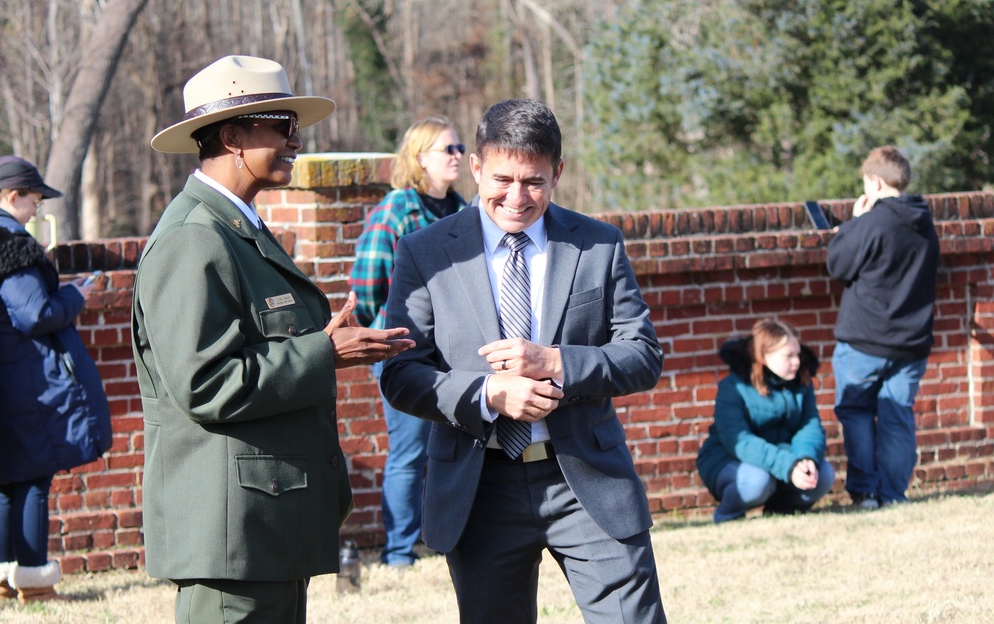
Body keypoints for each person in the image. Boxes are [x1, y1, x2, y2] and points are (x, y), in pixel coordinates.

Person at [133, 55, 414, 623]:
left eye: (295, 127)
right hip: (232, 538)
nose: (296, 140)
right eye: (281, 125)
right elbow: (206, 384)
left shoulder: (237, 227)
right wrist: (324, 353)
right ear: (233, 136)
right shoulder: (194, 239)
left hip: (264, 531)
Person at [380, 99, 667, 623]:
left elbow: (643, 357)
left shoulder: (598, 244)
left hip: (586, 478)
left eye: (533, 181)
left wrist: (557, 361)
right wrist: (487, 394)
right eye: (502, 179)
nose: (516, 197)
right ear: (476, 168)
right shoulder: (424, 252)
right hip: (479, 486)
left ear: (557, 172)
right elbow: (401, 374)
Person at [350, 116, 468, 567]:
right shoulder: (396, 210)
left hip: (456, 353)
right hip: (406, 352)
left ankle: (446, 539)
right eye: (448, 150)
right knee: (410, 451)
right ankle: (399, 551)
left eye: (459, 149)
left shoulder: (463, 211)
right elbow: (365, 287)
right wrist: (387, 342)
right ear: (419, 159)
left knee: (455, 446)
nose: (457, 156)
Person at [0, 156, 112, 603]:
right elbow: (34, 313)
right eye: (34, 201)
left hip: (2, 376)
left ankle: (1, 583)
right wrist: (73, 294)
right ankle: (36, 584)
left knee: (4, 479)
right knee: (33, 477)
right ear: (12, 197)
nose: (37, 211)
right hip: (24, 377)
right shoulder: (9, 240)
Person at [827, 146, 939, 510]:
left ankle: (866, 493)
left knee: (857, 411)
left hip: (865, 340)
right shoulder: (924, 220)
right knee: (897, 417)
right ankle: (893, 494)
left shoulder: (873, 222)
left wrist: (854, 225)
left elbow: (838, 265)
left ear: (874, 181)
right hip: (912, 342)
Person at [696, 319, 836, 523]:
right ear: (762, 357)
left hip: (783, 459)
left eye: (797, 354)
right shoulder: (732, 387)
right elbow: (740, 441)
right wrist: (788, 466)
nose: (796, 361)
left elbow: (809, 426)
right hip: (729, 461)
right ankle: (727, 514)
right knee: (757, 481)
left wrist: (805, 459)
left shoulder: (802, 383)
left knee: (823, 476)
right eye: (788, 356)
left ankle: (779, 512)